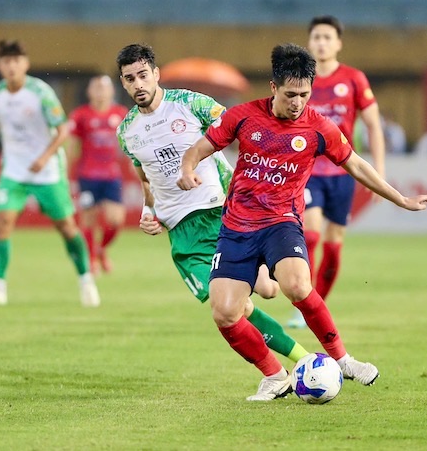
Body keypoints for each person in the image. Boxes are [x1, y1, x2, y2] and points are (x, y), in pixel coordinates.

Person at [177, 44, 427, 400]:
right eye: (290, 95)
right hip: (237, 227)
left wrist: (402, 198)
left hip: (281, 223)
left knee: (298, 285)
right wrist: (187, 169)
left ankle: (343, 360)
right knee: (224, 312)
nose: (297, 102)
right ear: (273, 87)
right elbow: (199, 148)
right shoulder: (243, 117)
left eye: (304, 95)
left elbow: (357, 165)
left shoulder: (318, 127)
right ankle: (274, 375)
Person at [115, 43, 310, 376]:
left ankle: (294, 359)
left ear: (156, 74)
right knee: (236, 308)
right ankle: (291, 367)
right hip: (183, 234)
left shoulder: (190, 103)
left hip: (224, 212)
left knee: (268, 290)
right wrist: (149, 213)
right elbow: (147, 180)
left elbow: (241, 126)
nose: (138, 84)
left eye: (143, 75)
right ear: (123, 83)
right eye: (130, 79)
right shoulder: (126, 132)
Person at [0, 40, 99, 307]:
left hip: (47, 170)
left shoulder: (40, 92)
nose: (11, 66)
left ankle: (86, 280)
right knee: (1, 222)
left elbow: (63, 130)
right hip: (14, 170)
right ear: (0, 66)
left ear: (25, 64)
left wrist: (44, 157)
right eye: (6, 61)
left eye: (16, 61)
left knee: (66, 226)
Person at [288, 15, 386, 329]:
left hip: (343, 170)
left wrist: (378, 171)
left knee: (334, 242)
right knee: (312, 233)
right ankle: (303, 303)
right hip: (308, 169)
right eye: (316, 37)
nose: (321, 42)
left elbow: (373, 124)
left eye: (327, 37)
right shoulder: (301, 79)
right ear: (309, 42)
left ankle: (316, 304)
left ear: (338, 43)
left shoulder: (354, 79)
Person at [67, 75, 128, 275]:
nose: (100, 91)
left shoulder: (121, 114)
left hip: (111, 176)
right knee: (88, 218)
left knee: (116, 220)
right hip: (87, 175)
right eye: (96, 87)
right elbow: (72, 147)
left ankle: (101, 249)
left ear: (112, 91)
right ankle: (91, 258)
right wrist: (67, 176)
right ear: (89, 91)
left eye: (104, 87)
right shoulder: (80, 115)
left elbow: (132, 145)